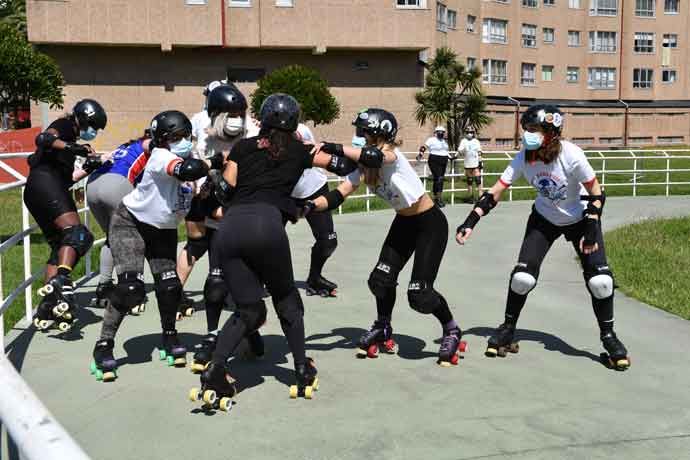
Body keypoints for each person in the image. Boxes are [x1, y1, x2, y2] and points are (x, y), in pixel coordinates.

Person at [189, 93, 371, 407]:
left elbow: (227, 191)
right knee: (286, 300)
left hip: (231, 228)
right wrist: (333, 153)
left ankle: (216, 370)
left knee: (249, 310)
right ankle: (301, 368)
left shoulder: (243, 147)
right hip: (266, 225)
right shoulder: (299, 149)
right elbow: (342, 166)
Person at [455, 104, 630, 371]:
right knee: (522, 278)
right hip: (544, 219)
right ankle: (507, 328)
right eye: (526, 130)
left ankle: (609, 337)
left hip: (580, 220)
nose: (528, 135)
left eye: (534, 130)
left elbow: (596, 192)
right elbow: (497, 190)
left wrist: (592, 228)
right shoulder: (525, 156)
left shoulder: (572, 155)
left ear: (551, 132)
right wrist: (471, 220)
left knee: (600, 282)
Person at [305, 109, 466, 368]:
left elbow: (375, 155)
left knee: (420, 295)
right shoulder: (364, 166)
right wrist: (310, 207)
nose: (361, 136)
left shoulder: (391, 156)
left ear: (379, 134)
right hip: (403, 223)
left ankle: (452, 330)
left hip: (429, 224)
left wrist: (333, 146)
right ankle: (383, 326)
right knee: (380, 280)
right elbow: (340, 193)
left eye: (365, 132)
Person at [89, 110, 209, 382]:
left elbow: (203, 196)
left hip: (163, 230)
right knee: (130, 288)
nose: (182, 141)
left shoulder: (190, 158)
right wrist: (215, 161)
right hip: (130, 222)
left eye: (184, 136)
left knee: (170, 287)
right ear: (162, 141)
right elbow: (187, 170)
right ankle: (104, 345)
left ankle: (170, 336)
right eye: (175, 137)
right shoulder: (161, 158)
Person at [186, 83, 264, 372]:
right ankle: (210, 336)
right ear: (214, 114)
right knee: (216, 281)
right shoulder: (203, 141)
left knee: (247, 284)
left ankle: (251, 331)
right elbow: (198, 186)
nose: (235, 119)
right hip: (217, 216)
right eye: (229, 113)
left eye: (239, 113)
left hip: (248, 214)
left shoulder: (255, 134)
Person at [25, 99, 107, 332]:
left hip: (47, 187)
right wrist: (73, 148)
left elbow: (67, 179)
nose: (94, 132)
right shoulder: (64, 125)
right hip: (44, 184)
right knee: (78, 235)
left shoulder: (70, 139)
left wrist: (90, 167)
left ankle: (48, 304)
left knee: (60, 246)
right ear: (83, 119)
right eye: (94, 126)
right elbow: (43, 139)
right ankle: (62, 280)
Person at [86, 129, 152, 314]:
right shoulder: (150, 146)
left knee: (111, 237)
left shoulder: (125, 146)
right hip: (117, 183)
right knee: (132, 238)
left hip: (93, 184)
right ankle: (131, 289)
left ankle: (103, 286)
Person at [291, 123, 339, 298]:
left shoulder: (301, 129)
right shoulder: (263, 133)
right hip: (284, 193)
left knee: (328, 241)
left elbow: (303, 145)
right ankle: (258, 279)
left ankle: (314, 278)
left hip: (314, 189)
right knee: (265, 238)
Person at [417, 126, 449, 208]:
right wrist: (420, 154)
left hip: (444, 160)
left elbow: (445, 151)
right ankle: (436, 199)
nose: (441, 133)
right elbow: (424, 147)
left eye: (443, 132)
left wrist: (451, 157)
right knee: (438, 178)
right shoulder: (431, 140)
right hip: (434, 159)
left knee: (441, 179)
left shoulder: (444, 141)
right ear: (436, 132)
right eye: (439, 131)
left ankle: (439, 198)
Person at [458, 128, 483, 202]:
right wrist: (458, 153)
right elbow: (460, 150)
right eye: (468, 132)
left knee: (478, 179)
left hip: (475, 162)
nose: (470, 133)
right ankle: (470, 196)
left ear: (473, 133)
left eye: (471, 132)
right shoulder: (463, 141)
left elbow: (479, 151)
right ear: (466, 133)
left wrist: (480, 160)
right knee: (469, 180)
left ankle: (480, 196)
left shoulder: (476, 141)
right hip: (467, 163)